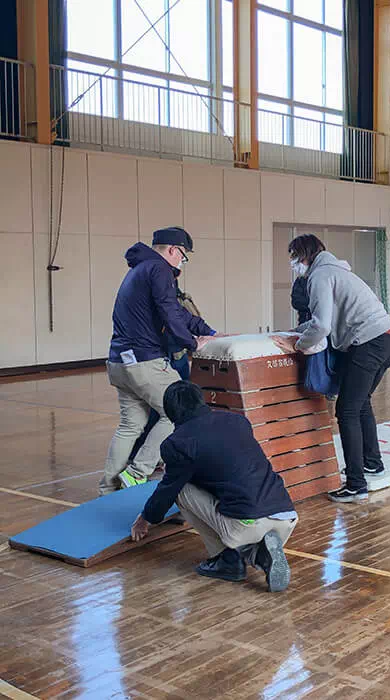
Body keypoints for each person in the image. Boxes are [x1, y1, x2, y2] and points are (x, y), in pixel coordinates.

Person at [130, 381, 297, 592]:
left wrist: (144, 519)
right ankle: (259, 555)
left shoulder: (178, 443)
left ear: (171, 413)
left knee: (180, 488)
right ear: (202, 400)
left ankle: (226, 559)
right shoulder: (237, 421)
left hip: (247, 522)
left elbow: (167, 491)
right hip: (285, 513)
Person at [272, 234, 390, 504]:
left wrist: (296, 346)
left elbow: (321, 327)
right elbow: (322, 321)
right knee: (361, 403)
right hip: (386, 339)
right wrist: (295, 332)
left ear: (303, 255)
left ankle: (355, 484)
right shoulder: (337, 270)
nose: (293, 264)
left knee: (347, 410)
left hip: (368, 343)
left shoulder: (319, 276)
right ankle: (371, 463)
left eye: (293, 257)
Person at [99, 227, 216, 495]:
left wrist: (207, 331)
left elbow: (176, 311)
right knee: (178, 411)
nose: (181, 264)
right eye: (183, 257)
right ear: (173, 250)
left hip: (118, 361)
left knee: (130, 426)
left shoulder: (139, 269)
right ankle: (138, 472)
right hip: (145, 360)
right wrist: (193, 342)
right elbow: (169, 313)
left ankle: (107, 489)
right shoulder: (160, 270)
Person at [127, 282, 198, 466]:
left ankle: (157, 454)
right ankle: (143, 459)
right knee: (164, 410)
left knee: (169, 410)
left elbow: (186, 318)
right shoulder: (157, 288)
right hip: (165, 357)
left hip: (177, 354)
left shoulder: (170, 289)